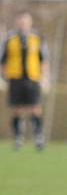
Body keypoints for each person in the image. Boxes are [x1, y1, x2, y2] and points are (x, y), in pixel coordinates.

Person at [1, 11, 49, 151]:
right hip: (15, 78)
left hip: (33, 77)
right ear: (17, 22)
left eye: (26, 21)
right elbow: (2, 60)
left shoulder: (37, 37)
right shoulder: (9, 38)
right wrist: (3, 76)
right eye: (21, 21)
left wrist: (45, 77)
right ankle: (18, 138)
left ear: (30, 22)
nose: (23, 24)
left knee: (35, 108)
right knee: (17, 109)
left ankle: (38, 137)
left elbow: (44, 59)